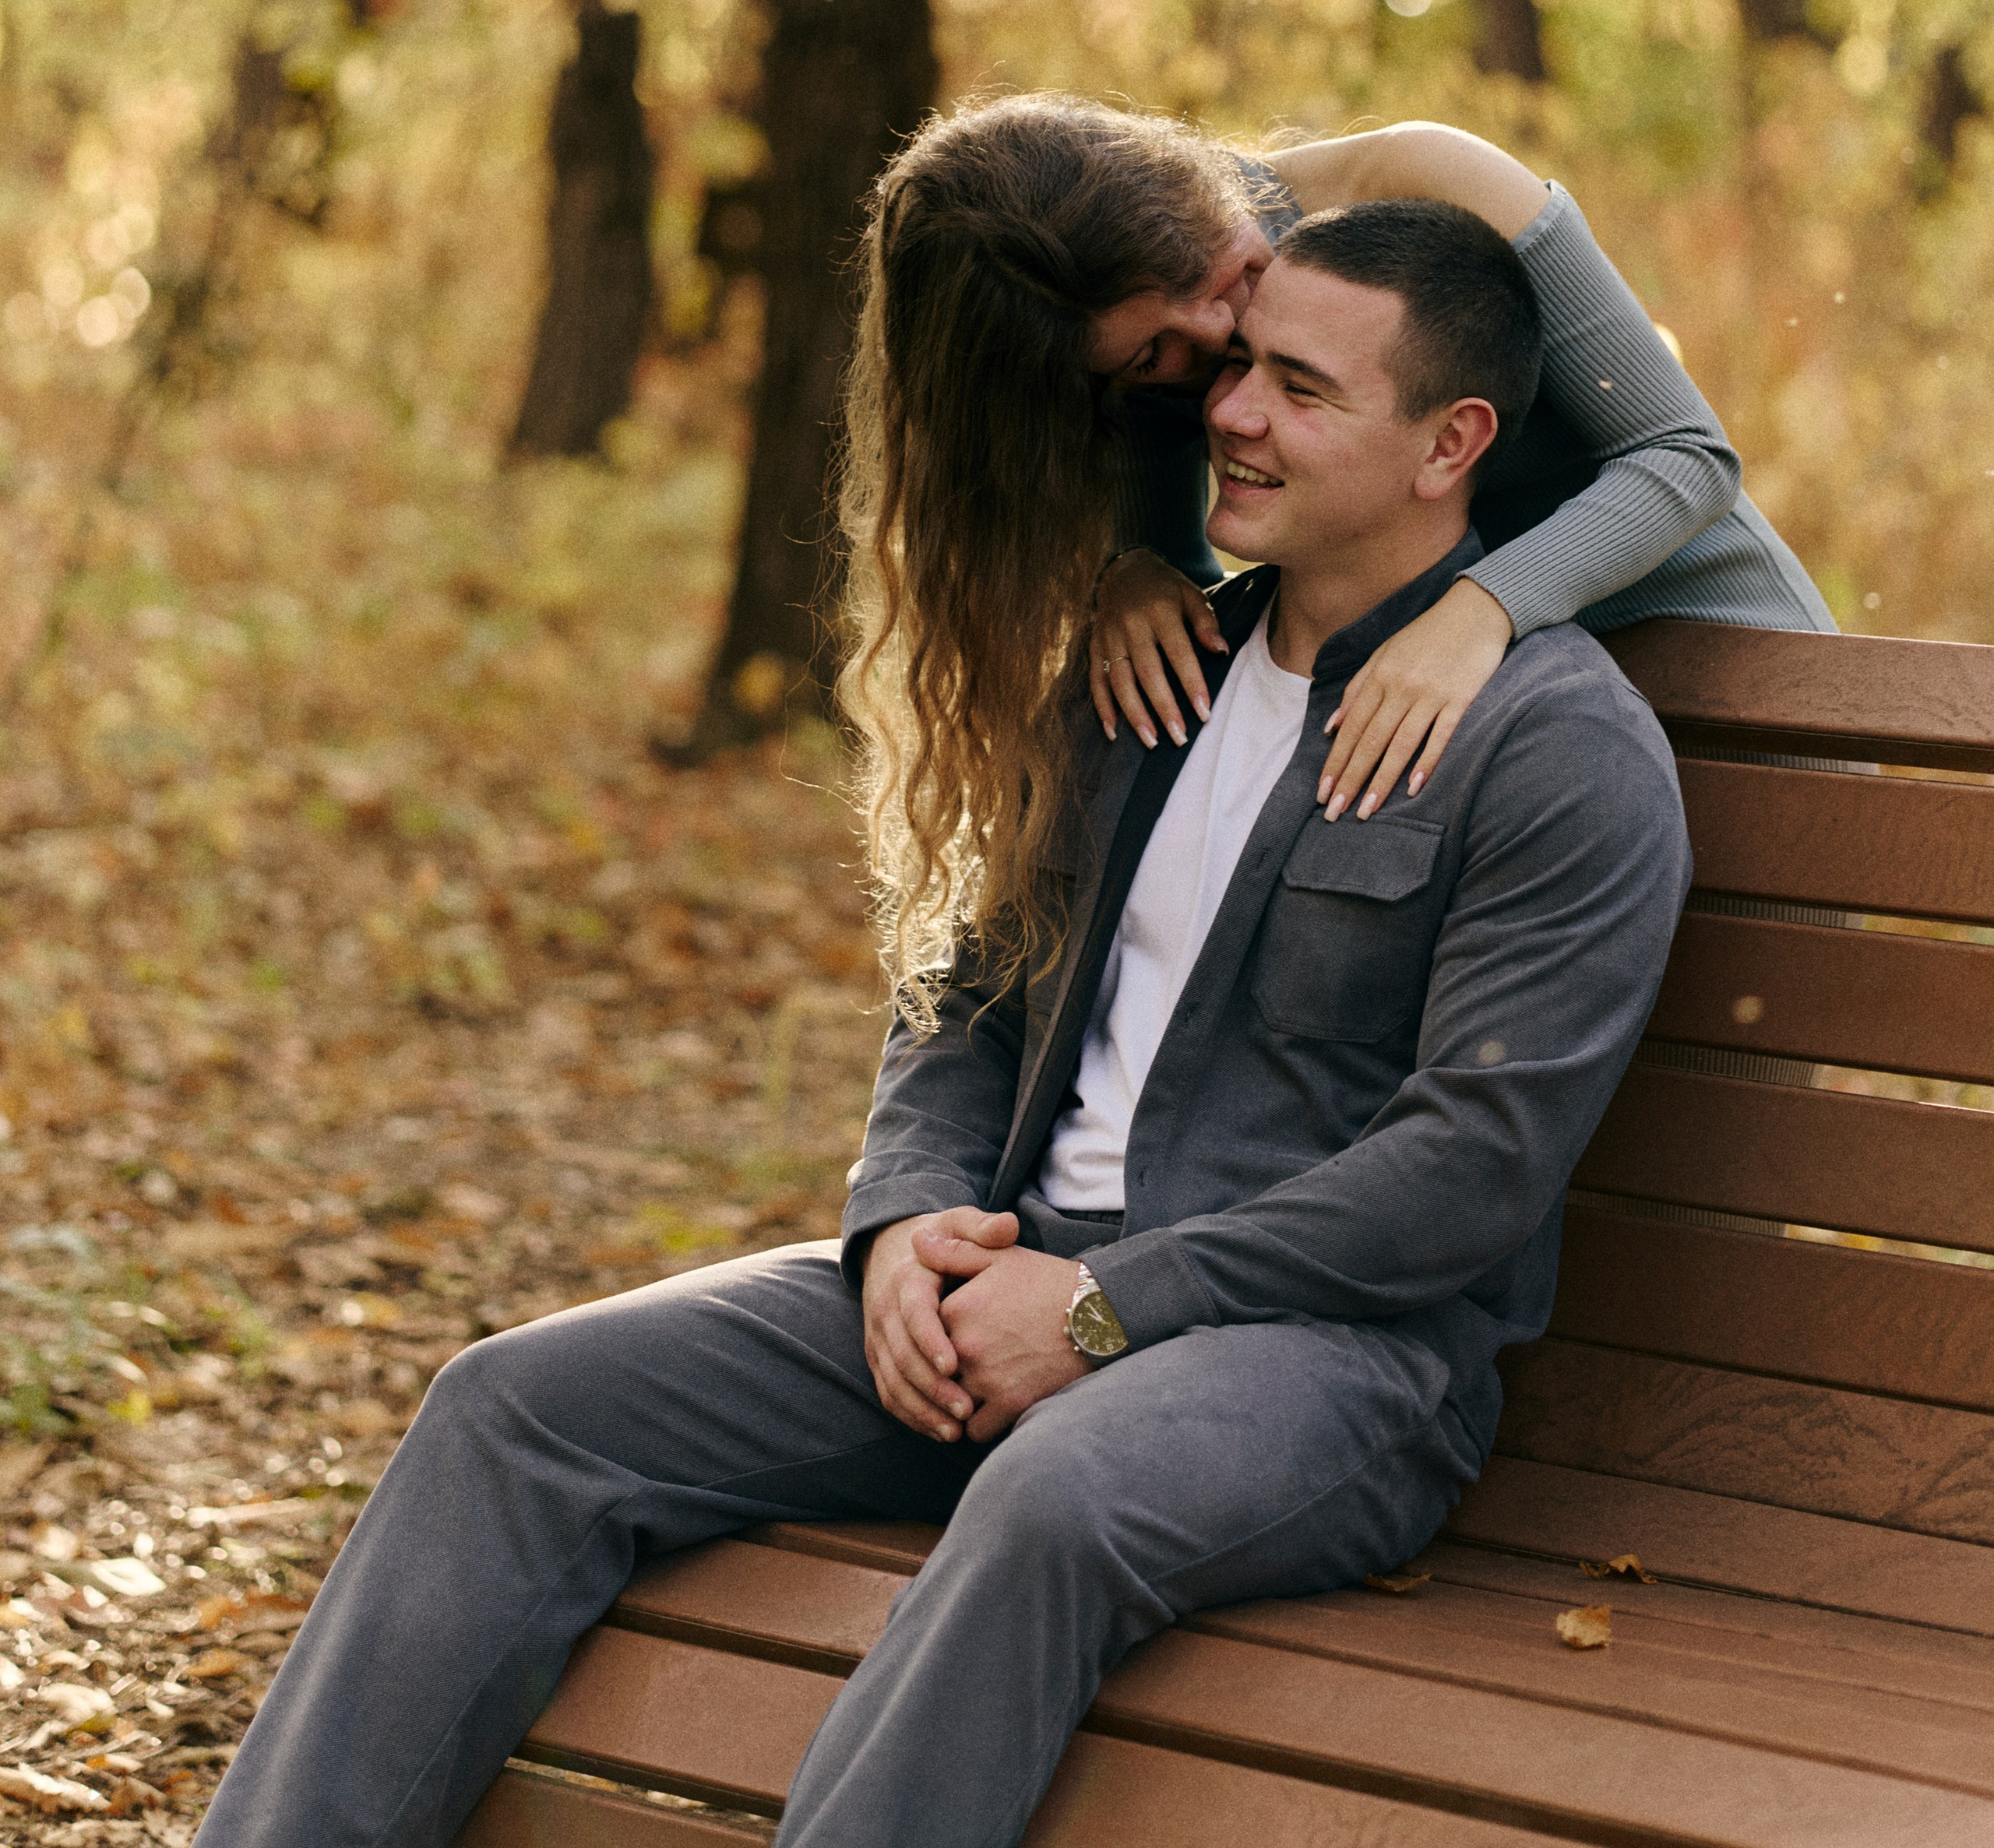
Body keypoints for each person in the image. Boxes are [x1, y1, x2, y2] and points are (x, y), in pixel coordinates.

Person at [196, 199, 1692, 1848]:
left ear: (1448, 444)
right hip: (1003, 1281)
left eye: (1300, 388)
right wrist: (900, 1226)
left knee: (1055, 1497)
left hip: (1326, 1365)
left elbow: (1468, 1170)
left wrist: (1109, 1306)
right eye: (1237, 367)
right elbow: (968, 991)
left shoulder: (1550, 750)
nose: (1231, 413)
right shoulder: (1151, 665)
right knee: (514, 1406)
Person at [838, 96, 1827, 1012]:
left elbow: (1685, 457)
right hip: (1471, 748)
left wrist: (1480, 612)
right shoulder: (1124, 359)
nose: (1220, 338)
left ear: (1197, 185)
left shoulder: (1428, 179)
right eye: (1154, 358)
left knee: (1718, 1129)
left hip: (1723, 680)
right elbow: (1212, 566)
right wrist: (1129, 570)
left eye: (1219, 275)